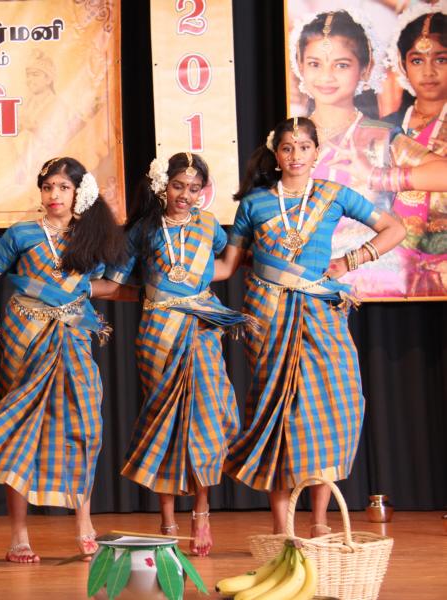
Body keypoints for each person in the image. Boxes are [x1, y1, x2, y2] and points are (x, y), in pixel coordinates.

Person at [217, 117, 406, 536]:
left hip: (321, 317)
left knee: (329, 411)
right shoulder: (254, 204)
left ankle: (319, 522)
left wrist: (349, 261)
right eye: (288, 147)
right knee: (277, 414)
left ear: (317, 153)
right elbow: (228, 266)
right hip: (269, 320)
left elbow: (395, 228)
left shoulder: (333, 195)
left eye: (304, 147)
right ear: (276, 154)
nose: (296, 155)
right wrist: (167, 281)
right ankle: (282, 530)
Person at [0, 156, 125, 563]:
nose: (54, 195)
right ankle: (19, 533)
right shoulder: (21, 234)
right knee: (20, 429)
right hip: (24, 338)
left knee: (84, 426)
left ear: (78, 192)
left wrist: (83, 292)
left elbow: (108, 285)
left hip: (72, 336)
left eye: (63, 187)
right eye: (48, 186)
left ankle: (84, 522)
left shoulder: (93, 235)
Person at [92, 152, 249, 557]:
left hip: (200, 333)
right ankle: (167, 521)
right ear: (163, 186)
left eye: (194, 189)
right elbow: (116, 284)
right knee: (165, 427)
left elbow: (223, 266)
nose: (185, 195)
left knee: (204, 424)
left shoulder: (209, 226)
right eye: (178, 186)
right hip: (158, 337)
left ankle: (201, 514)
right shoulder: (143, 230)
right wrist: (74, 289)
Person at [290, 8, 447, 297]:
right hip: (305, 288)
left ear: (365, 67)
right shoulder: (285, 139)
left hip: (375, 288)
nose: (326, 76)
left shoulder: (381, 137)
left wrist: (378, 176)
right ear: (299, 65)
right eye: (314, 63)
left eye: (341, 65)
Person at [384, 7, 447, 295]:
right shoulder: (385, 127)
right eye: (417, 60)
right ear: (403, 64)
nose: (428, 72)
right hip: (391, 271)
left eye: (441, 59)